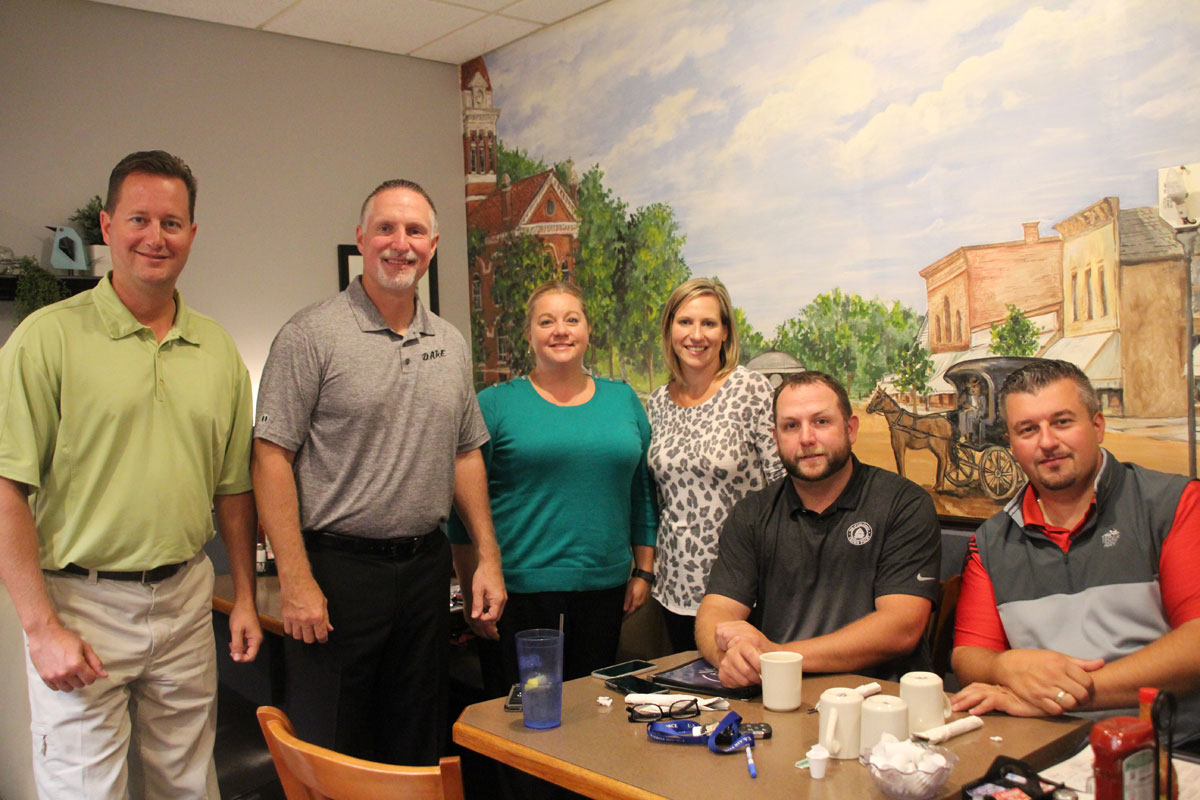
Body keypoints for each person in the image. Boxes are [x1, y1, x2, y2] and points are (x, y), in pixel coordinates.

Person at [0, 150, 261, 798]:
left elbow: (233, 490)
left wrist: (247, 600)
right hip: (81, 605)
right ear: (108, 227)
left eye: (172, 223)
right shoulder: (46, 339)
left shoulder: (218, 350)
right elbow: (7, 487)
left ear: (192, 236)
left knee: (189, 785)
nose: (156, 236)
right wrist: (40, 630)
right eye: (139, 219)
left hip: (184, 599)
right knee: (87, 789)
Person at [252, 179, 506, 765]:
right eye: (386, 228)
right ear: (361, 239)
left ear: (434, 244)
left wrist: (485, 559)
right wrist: (295, 580)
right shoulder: (311, 335)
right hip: (338, 575)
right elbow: (271, 458)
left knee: (416, 742)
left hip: (424, 573)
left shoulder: (449, 342)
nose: (401, 243)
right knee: (333, 744)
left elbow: (466, 452)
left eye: (415, 231)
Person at [950, 359, 1200, 740]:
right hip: (1040, 745)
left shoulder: (1173, 504)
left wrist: (1063, 696)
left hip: (1167, 747)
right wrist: (1005, 668)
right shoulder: (990, 540)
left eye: (1062, 422)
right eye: (1028, 429)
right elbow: (969, 655)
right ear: (1012, 444)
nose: (1047, 442)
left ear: (1097, 426)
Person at [448, 280, 657, 698]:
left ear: (587, 330)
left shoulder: (623, 401)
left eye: (571, 319)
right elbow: (463, 510)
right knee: (521, 719)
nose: (560, 330)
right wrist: (472, 581)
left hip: (605, 588)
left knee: (591, 717)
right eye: (547, 321)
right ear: (529, 336)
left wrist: (643, 569)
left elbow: (642, 492)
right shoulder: (494, 405)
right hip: (518, 592)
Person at [695, 371, 941, 688]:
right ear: (775, 437)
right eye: (791, 426)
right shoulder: (752, 514)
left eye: (821, 422)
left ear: (851, 429)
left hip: (881, 703)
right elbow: (714, 614)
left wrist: (778, 656)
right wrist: (732, 658)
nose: (807, 438)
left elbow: (901, 628)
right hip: (778, 695)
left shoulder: (904, 504)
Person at [647, 278, 783, 653]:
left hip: (741, 585)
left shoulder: (751, 390)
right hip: (674, 585)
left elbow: (782, 484)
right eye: (685, 322)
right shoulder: (657, 402)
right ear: (670, 329)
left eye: (708, 323)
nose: (696, 334)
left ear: (725, 332)